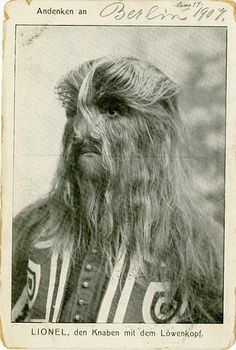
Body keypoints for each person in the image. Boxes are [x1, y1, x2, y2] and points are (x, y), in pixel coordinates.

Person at [12, 56, 223, 323]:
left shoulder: (203, 245)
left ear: (154, 134)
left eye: (111, 111)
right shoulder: (31, 227)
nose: (82, 131)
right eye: (75, 112)